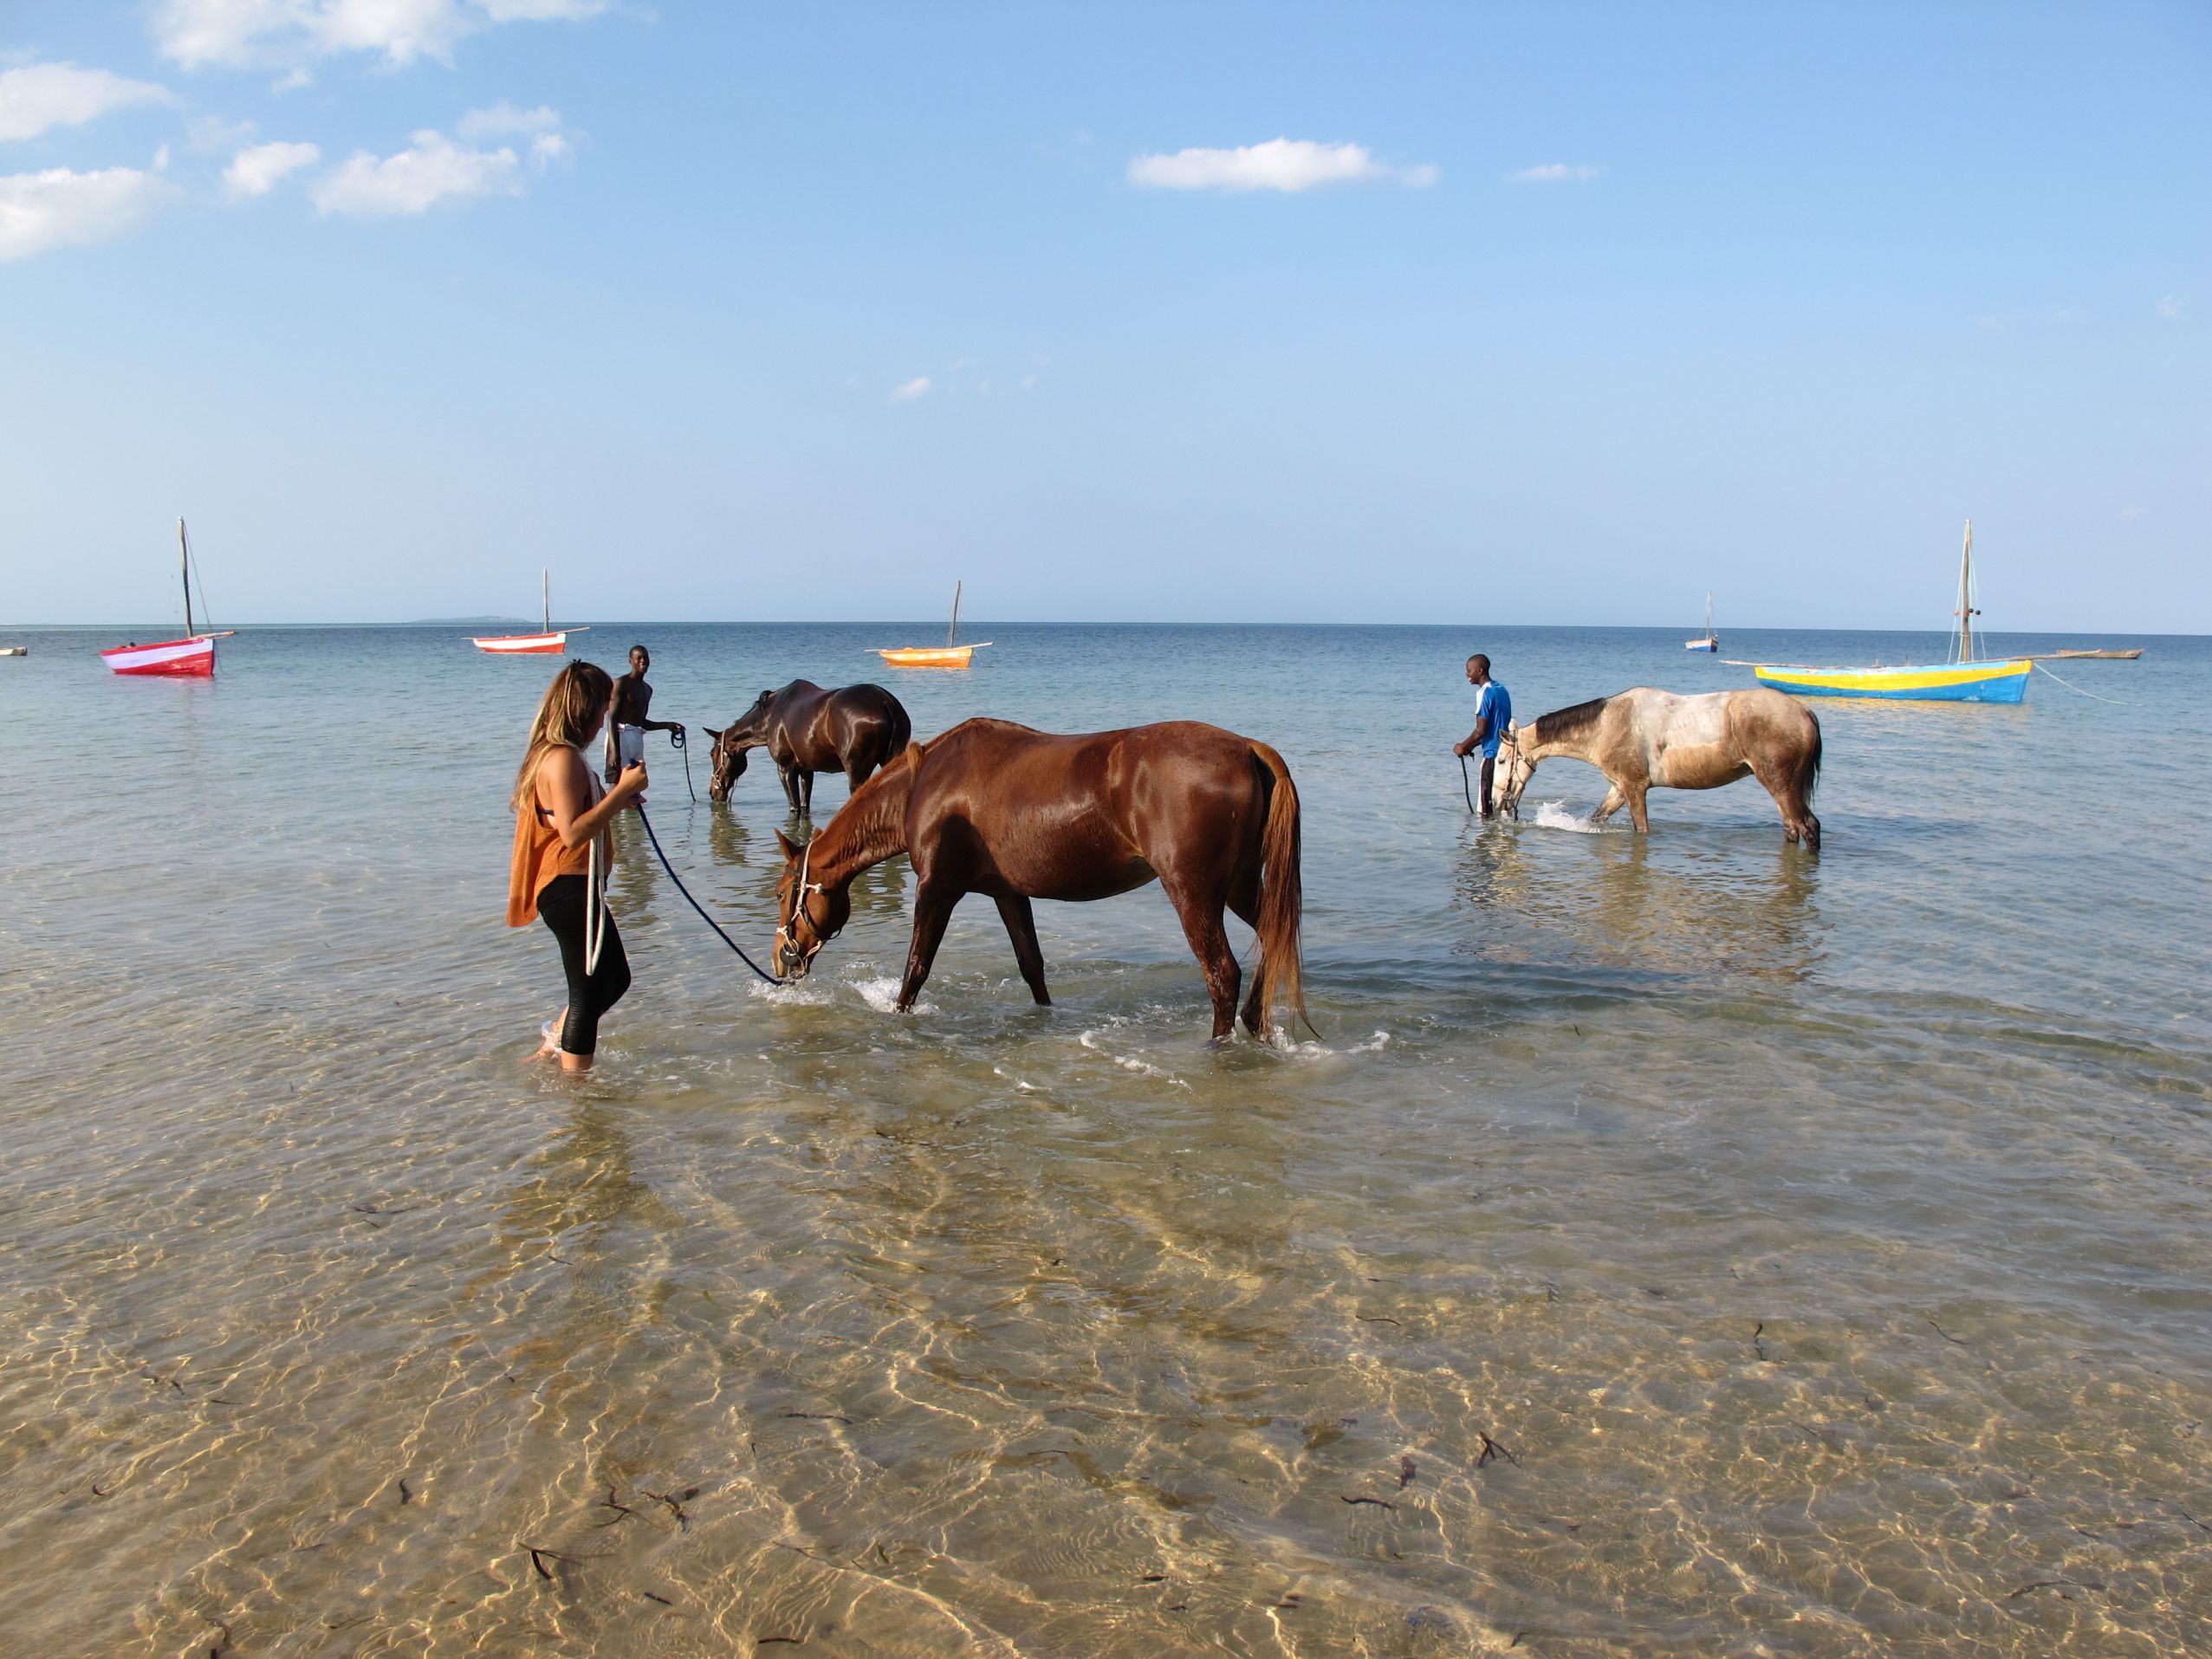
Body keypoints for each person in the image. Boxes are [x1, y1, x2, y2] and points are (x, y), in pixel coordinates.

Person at [509, 661, 648, 1072]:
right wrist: (620, 791)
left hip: (576, 886)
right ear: (584, 711)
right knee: (587, 994)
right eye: (603, 709)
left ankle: (556, 1044)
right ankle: (575, 1095)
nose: (605, 720)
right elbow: (571, 834)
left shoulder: (557, 756)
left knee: (614, 980)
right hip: (567, 886)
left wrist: (619, 800)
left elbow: (564, 819)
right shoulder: (562, 759)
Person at [605, 645, 685, 788]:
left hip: (636, 737)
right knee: (617, 785)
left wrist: (668, 725)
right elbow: (611, 718)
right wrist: (614, 751)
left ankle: (632, 811)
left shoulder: (647, 689)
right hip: (620, 736)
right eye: (639, 658)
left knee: (635, 786)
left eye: (646, 657)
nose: (643, 661)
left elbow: (642, 723)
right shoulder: (621, 683)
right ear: (631, 661)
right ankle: (613, 811)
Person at [1453, 653, 1513, 820]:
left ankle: (1485, 841)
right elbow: (1495, 727)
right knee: (1504, 807)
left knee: (1485, 810)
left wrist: (1462, 747)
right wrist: (1470, 747)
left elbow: (1481, 731)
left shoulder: (1484, 693)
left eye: (1469, 670)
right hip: (1506, 753)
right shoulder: (1501, 690)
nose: (1467, 674)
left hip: (1492, 756)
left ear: (1480, 671)